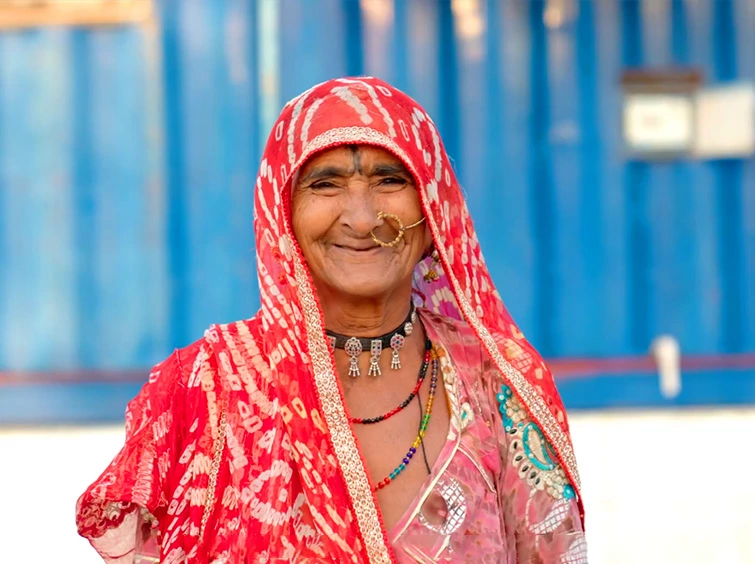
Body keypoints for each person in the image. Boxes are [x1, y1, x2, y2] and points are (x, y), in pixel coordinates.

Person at [76, 77, 587, 563]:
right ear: (284, 216)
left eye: (391, 180)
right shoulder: (208, 390)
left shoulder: (501, 383)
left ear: (433, 211)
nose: (362, 218)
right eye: (326, 184)